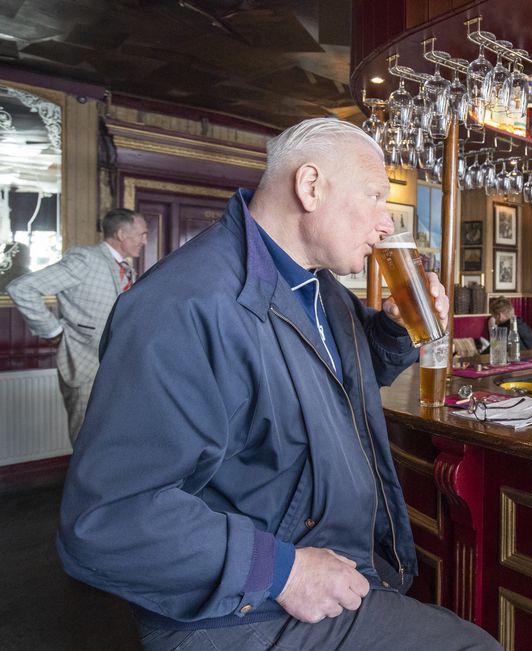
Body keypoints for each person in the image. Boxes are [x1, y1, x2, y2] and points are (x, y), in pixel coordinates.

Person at [57, 119, 501, 651]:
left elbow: (332, 382)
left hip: (332, 563)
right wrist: (285, 571)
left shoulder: (319, 288)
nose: (387, 223)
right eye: (376, 196)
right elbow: (107, 520)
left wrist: (397, 330)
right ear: (310, 186)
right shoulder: (183, 306)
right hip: (238, 607)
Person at [7, 208, 147, 444]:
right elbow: (21, 288)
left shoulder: (126, 268)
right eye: (142, 234)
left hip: (116, 368)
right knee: (86, 444)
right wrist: (54, 332)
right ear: (123, 234)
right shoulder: (86, 259)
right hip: (83, 366)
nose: (145, 241)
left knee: (110, 442)